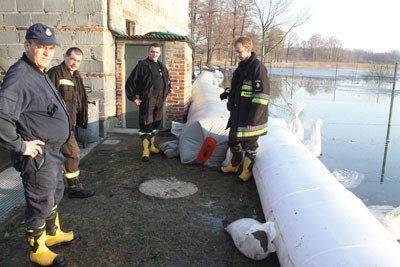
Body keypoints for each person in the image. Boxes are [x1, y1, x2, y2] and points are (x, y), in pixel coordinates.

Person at [0, 23, 79, 266]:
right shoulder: (20, 75)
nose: (47, 52)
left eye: (50, 48)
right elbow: (2, 115)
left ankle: (52, 234)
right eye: (40, 47)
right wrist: (21, 146)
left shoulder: (39, 72)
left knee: (54, 193)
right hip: (37, 157)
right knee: (39, 201)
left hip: (53, 153)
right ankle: (37, 248)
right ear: (27, 45)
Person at [220, 37, 270, 181]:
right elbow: (238, 88)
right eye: (236, 51)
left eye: (239, 51)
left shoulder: (257, 68)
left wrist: (253, 119)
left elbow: (262, 96)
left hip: (251, 117)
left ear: (248, 49)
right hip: (238, 113)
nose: (237, 55)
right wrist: (228, 92)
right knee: (233, 140)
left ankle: (247, 171)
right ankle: (234, 165)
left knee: (250, 144)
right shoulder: (242, 67)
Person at [48, 47, 95, 199]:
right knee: (73, 153)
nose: (75, 63)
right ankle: (74, 187)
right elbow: (48, 101)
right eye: (73, 59)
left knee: (61, 156)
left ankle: (57, 186)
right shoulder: (56, 73)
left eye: (79, 61)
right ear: (65, 57)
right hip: (59, 125)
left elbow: (79, 99)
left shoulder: (75, 76)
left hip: (70, 123)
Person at [125, 43, 171, 162]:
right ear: (148, 52)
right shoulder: (142, 65)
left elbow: (167, 81)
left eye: (156, 52)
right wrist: (134, 98)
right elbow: (130, 82)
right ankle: (145, 149)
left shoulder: (162, 66)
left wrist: (167, 92)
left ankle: (152, 146)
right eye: (152, 51)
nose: (154, 54)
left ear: (159, 53)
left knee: (156, 123)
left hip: (160, 99)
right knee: (146, 123)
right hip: (147, 99)